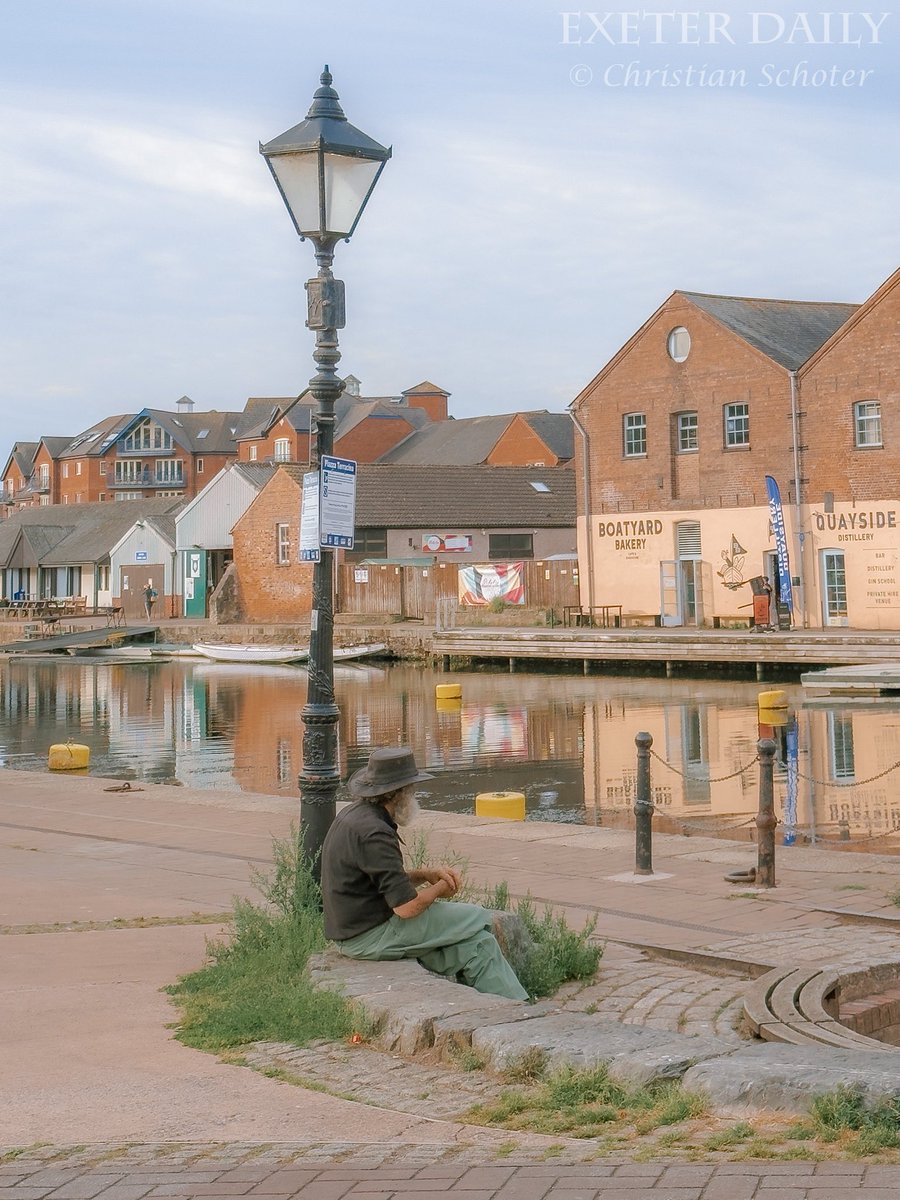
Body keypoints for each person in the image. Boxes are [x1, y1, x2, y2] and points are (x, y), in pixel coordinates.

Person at [320, 746, 528, 1001]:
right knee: (478, 917)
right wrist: (440, 888)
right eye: (412, 790)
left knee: (478, 945)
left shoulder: (356, 815)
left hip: (357, 931)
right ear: (397, 794)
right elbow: (406, 908)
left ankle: (517, 1006)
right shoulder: (375, 833)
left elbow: (380, 881)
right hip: (370, 935)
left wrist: (424, 875)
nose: (414, 797)